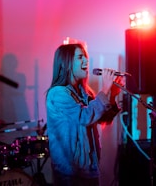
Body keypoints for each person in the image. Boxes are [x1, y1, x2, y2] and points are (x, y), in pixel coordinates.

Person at [46, 43, 125, 186]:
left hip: (89, 169)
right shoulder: (58, 93)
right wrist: (104, 89)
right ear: (65, 63)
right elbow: (84, 117)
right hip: (69, 173)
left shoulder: (85, 93)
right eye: (80, 57)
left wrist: (112, 95)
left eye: (86, 57)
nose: (86, 61)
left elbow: (103, 119)